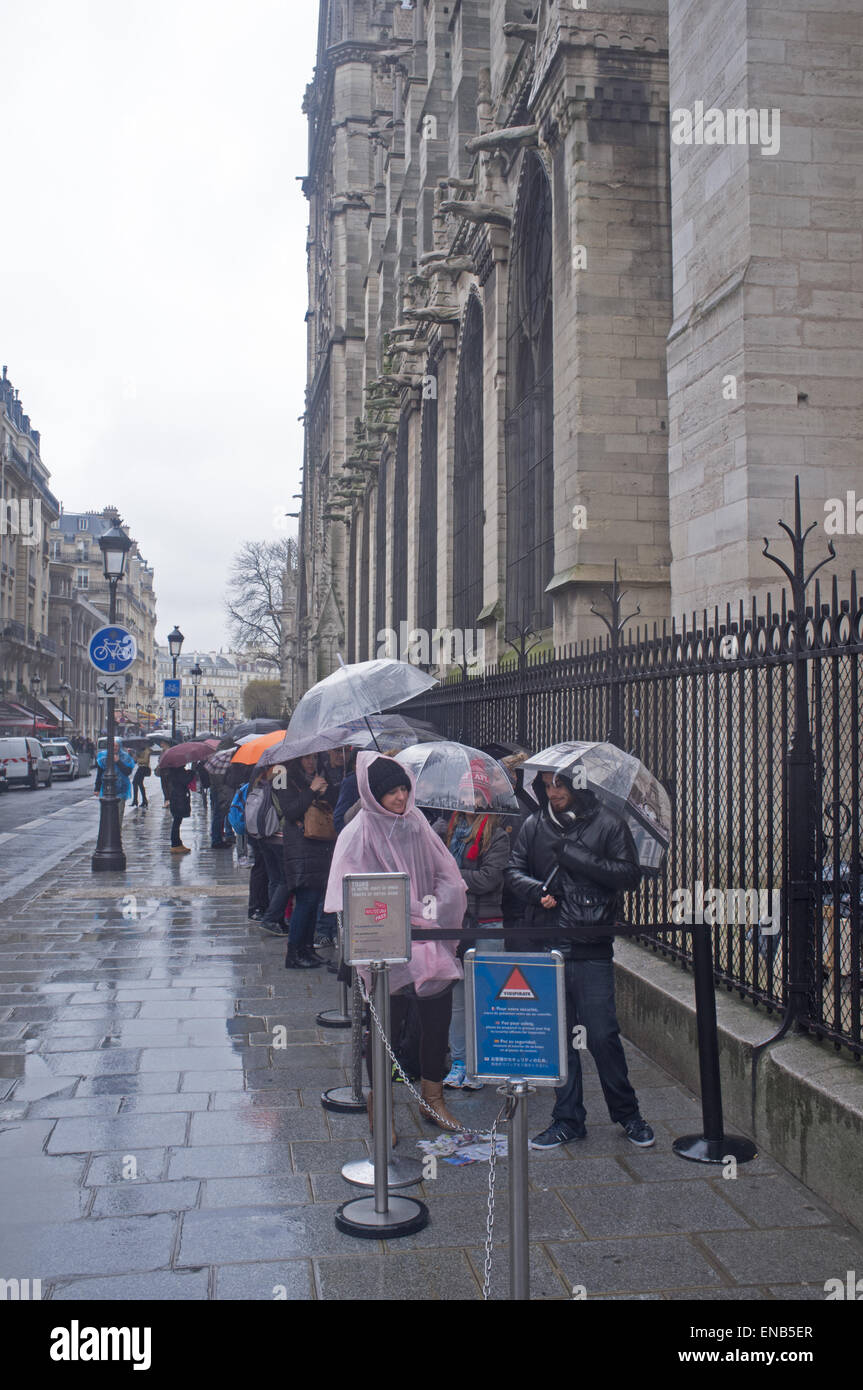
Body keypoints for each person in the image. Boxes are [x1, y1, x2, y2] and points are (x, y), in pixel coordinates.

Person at [506, 771, 655, 1149]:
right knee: (559, 1037)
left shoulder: (609, 824)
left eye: (560, 784)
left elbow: (628, 875)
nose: (553, 792)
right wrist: (536, 890)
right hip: (547, 942)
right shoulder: (533, 825)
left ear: (577, 784)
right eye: (547, 785)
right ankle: (567, 1118)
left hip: (591, 944)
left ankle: (628, 1114)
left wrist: (577, 856)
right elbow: (513, 871)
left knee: (602, 1035)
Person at [324, 753, 468, 1136]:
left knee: (437, 1021)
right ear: (373, 795)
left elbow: (447, 875)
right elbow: (350, 891)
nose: (401, 798)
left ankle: (433, 1098)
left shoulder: (417, 823)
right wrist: (405, 911)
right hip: (383, 943)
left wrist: (430, 910)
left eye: (404, 789)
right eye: (391, 792)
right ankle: (381, 1105)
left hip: (428, 939)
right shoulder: (358, 831)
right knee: (386, 1024)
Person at [434, 763, 511, 1090]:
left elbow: (488, 879)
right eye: (465, 793)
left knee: (486, 998)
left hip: (486, 924)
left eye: (476, 794)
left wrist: (452, 878)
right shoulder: (447, 830)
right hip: (455, 924)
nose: (470, 800)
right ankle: (461, 1060)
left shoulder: (497, 834)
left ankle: (482, 1063)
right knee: (457, 999)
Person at [272, 755, 338, 965]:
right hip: (299, 845)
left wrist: (325, 790)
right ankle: (294, 953)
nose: (311, 762)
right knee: (306, 899)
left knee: (314, 899)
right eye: (307, 758)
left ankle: (307, 949)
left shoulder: (319, 774)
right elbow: (289, 811)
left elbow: (332, 803)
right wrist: (311, 790)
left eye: (314, 757)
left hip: (318, 844)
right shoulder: (281, 773)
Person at [93, 741, 135, 827]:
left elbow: (128, 771)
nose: (115, 747)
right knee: (106, 816)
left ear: (119, 747)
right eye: (113, 745)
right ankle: (106, 836)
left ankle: (117, 836)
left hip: (121, 790)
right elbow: (100, 773)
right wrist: (97, 788)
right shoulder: (104, 757)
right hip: (106, 790)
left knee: (118, 815)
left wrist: (118, 761)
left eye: (117, 746)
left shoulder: (125, 757)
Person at [166, 764, 195, 853]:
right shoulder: (178, 771)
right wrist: (191, 772)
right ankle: (175, 844)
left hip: (176, 798)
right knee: (177, 822)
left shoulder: (173, 771)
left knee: (177, 821)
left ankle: (177, 843)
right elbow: (185, 780)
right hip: (179, 799)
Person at [131, 743, 152, 808]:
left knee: (135, 782)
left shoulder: (147, 751)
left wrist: (137, 759)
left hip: (144, 768)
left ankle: (137, 800)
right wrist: (134, 755)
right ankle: (142, 800)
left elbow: (145, 760)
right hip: (140, 768)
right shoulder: (140, 750)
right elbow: (135, 761)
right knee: (139, 783)